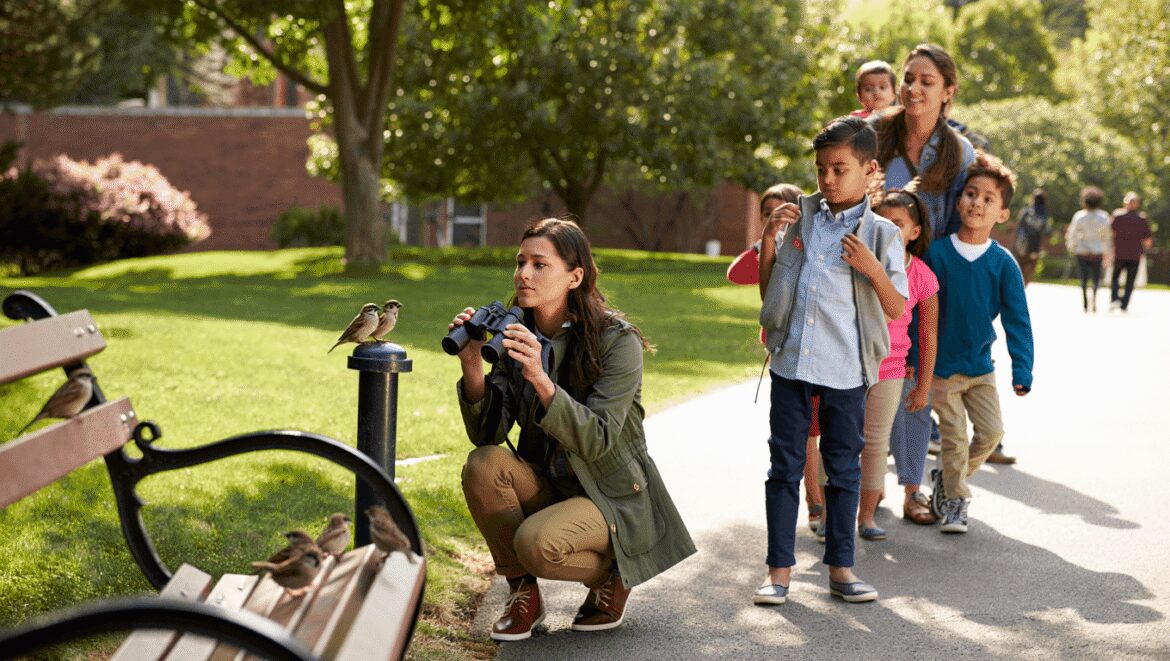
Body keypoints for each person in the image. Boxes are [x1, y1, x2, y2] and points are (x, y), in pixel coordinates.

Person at [454, 218, 695, 641]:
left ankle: (613, 574)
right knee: (483, 464)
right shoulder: (517, 332)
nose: (524, 274)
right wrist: (472, 363)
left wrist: (540, 378)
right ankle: (524, 595)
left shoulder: (617, 342)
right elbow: (487, 434)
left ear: (575, 276)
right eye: (520, 262)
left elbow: (597, 439)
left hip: (607, 495)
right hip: (550, 483)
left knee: (536, 544)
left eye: (539, 264)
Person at [754, 116, 907, 605]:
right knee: (784, 467)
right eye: (821, 169)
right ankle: (778, 573)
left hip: (846, 372)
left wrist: (872, 268)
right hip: (791, 367)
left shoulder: (883, 234)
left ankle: (842, 569)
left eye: (840, 169)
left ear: (870, 170)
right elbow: (772, 296)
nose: (828, 179)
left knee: (843, 470)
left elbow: (897, 307)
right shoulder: (800, 222)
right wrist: (768, 244)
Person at [925, 152, 1033, 534]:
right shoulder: (937, 254)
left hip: (980, 369)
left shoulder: (1003, 263)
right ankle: (956, 504)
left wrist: (1022, 370)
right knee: (954, 439)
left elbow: (1018, 322)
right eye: (971, 194)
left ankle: (947, 480)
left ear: (1002, 214)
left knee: (991, 434)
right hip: (942, 370)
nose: (977, 203)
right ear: (959, 202)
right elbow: (921, 312)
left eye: (989, 199)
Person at [727, 184, 828, 533]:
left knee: (830, 430)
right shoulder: (767, 248)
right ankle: (815, 501)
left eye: (784, 209)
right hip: (786, 351)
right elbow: (736, 273)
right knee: (806, 433)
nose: (777, 216)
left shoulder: (813, 244)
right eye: (768, 213)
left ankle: (830, 498)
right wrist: (766, 241)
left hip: (823, 349)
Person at [868, 189, 940, 532]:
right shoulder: (861, 263)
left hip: (901, 364)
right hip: (859, 364)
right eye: (881, 221)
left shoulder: (922, 274)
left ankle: (913, 492)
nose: (887, 229)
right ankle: (871, 487)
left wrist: (924, 385)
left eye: (897, 224)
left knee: (913, 419)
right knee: (864, 436)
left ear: (914, 231)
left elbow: (928, 334)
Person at [874, 43, 976, 240]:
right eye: (908, 79)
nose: (913, 89)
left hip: (930, 259)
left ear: (948, 92)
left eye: (927, 82)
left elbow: (958, 229)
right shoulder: (871, 133)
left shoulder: (961, 152)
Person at [1065, 186, 1112, 313]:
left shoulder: (1080, 216)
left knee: (1084, 279)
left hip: (1082, 251)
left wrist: (1072, 246)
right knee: (1096, 279)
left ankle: (1085, 302)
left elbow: (1073, 234)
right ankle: (1094, 299)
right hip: (1097, 251)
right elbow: (1105, 236)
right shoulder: (1103, 217)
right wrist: (1107, 251)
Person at [1110, 191, 1154, 312]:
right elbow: (1148, 240)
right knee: (1130, 280)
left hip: (1120, 253)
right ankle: (1124, 304)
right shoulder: (1142, 218)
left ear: (1125, 202)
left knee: (1115, 278)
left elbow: (1109, 233)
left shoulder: (1117, 216)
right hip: (1134, 255)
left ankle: (1115, 299)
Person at [1013, 188, 1051, 285]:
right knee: (1031, 268)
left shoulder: (1026, 211)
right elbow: (1046, 230)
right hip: (1036, 245)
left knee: (1020, 266)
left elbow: (1018, 226)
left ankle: (1018, 286)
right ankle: (1024, 285)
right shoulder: (1044, 213)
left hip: (1023, 243)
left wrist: (1016, 239)